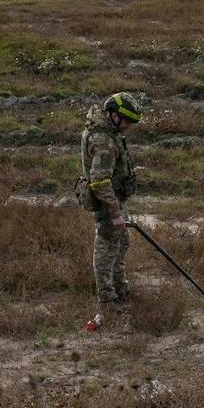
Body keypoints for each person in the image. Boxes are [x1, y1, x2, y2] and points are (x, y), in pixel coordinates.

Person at [78, 92, 142, 310]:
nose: (128, 127)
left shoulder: (109, 132)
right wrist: (114, 214)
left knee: (122, 242)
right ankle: (107, 299)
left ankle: (119, 289)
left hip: (114, 199)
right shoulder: (103, 141)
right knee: (106, 249)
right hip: (107, 203)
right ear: (114, 115)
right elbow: (99, 181)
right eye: (127, 121)